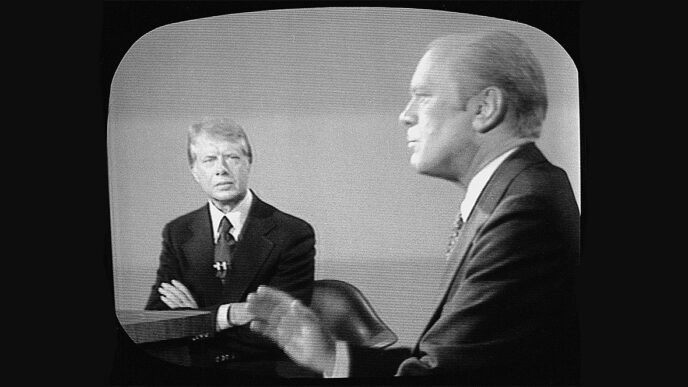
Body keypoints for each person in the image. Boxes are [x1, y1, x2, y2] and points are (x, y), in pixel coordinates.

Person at [246, 30, 580, 384]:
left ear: (485, 109)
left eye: (422, 96)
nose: (405, 116)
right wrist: (331, 356)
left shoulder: (523, 208)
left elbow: (442, 375)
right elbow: (453, 360)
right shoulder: (518, 191)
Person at [144, 117, 316, 374]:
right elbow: (157, 321)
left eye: (232, 157)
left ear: (248, 163)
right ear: (195, 172)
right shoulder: (178, 232)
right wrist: (227, 315)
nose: (221, 169)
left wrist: (196, 319)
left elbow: (279, 332)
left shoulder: (292, 233)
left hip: (263, 372)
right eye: (209, 159)